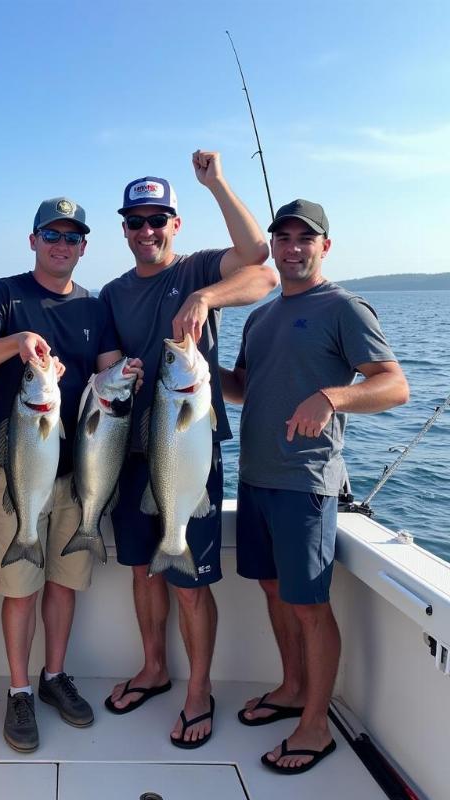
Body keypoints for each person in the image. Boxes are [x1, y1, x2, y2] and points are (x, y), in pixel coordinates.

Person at [220, 199, 409, 773]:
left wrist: (332, 396)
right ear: (273, 246)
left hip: (306, 484)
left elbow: (394, 385)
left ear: (325, 246)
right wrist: (197, 369)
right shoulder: (261, 315)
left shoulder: (344, 308)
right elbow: (245, 388)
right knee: (274, 592)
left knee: (309, 606)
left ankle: (316, 725)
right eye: (284, 237)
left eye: (307, 238)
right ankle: (292, 687)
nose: (294, 247)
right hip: (254, 476)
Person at [99, 151, 277, 748]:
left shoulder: (201, 269)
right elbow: (104, 360)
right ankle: (154, 667)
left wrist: (217, 184)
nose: (146, 231)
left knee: (190, 583)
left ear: (175, 224)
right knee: (143, 573)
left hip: (193, 445)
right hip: (133, 449)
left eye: (158, 220)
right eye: (135, 221)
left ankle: (198, 689)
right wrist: (114, 372)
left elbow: (263, 267)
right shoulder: (113, 292)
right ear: (124, 229)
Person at [0, 197, 141, 753]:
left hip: (82, 468)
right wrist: (15, 344)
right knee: (21, 586)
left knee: (65, 582)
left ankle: (53, 677)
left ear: (85, 246)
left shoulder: (95, 303)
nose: (63, 245)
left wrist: (125, 372)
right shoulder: (4, 295)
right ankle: (18, 691)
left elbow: (106, 367)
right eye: (51, 235)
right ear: (32, 240)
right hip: (19, 464)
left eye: (73, 237)